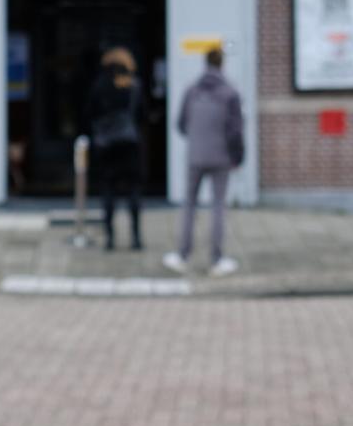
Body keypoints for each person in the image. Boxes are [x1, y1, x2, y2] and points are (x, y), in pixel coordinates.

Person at [163, 48, 244, 277]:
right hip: (221, 157)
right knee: (218, 206)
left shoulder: (192, 90)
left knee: (189, 205)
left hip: (195, 156)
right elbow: (236, 130)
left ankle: (182, 255)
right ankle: (216, 259)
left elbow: (180, 124)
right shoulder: (230, 93)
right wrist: (238, 157)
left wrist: (197, 138)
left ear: (205, 62)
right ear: (222, 64)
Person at [85, 47, 144, 252]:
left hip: (106, 145)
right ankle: (136, 238)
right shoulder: (133, 85)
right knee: (133, 191)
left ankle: (110, 239)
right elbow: (141, 115)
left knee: (108, 191)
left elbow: (89, 113)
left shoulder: (99, 86)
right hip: (129, 143)